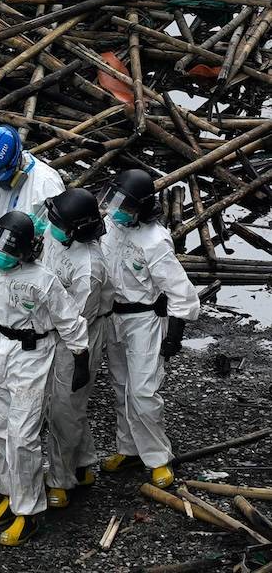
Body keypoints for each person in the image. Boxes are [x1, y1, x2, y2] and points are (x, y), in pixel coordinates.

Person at [0, 211, 89, 546]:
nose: (2, 253)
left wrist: (81, 357)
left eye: (10, 247)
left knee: (23, 435)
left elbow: (68, 320)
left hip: (32, 353)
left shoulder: (43, 279)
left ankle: (29, 511)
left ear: (26, 250)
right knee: (2, 431)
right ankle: (9, 493)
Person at [99, 169, 200, 489]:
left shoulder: (155, 240)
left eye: (123, 205)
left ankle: (158, 457)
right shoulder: (111, 228)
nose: (114, 209)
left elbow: (179, 289)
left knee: (143, 392)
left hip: (144, 319)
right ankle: (128, 449)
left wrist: (175, 331)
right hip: (115, 316)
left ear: (141, 208)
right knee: (120, 385)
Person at [41, 189, 114, 508]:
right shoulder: (57, 233)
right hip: (51, 323)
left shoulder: (89, 266)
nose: (50, 226)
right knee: (62, 405)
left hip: (78, 334)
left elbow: (75, 318)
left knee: (64, 408)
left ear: (76, 231)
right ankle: (83, 463)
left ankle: (60, 479)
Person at [0, 126, 65, 265]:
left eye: (3, 179)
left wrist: (44, 231)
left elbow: (56, 243)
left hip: (21, 267)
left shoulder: (45, 184)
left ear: (16, 162)